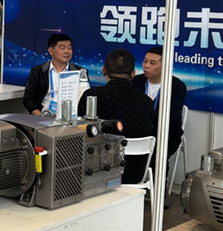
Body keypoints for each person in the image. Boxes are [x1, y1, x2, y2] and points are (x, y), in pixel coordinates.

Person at [78, 49, 154, 184]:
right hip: (135, 173)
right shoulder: (146, 101)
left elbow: (79, 133)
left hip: (96, 172)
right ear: (133, 73)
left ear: (104, 70)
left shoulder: (92, 97)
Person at [133, 46, 187, 160]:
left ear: (165, 66)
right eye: (145, 61)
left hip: (164, 134)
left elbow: (171, 118)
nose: (146, 66)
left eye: (152, 63)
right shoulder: (136, 81)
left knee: (153, 161)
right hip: (137, 131)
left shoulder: (176, 87)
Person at [23, 33, 87, 116]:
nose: (67, 51)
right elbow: (28, 99)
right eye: (62, 48)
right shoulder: (38, 71)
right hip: (44, 115)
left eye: (69, 48)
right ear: (51, 51)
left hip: (71, 116)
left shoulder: (80, 72)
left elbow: (85, 99)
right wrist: (39, 116)